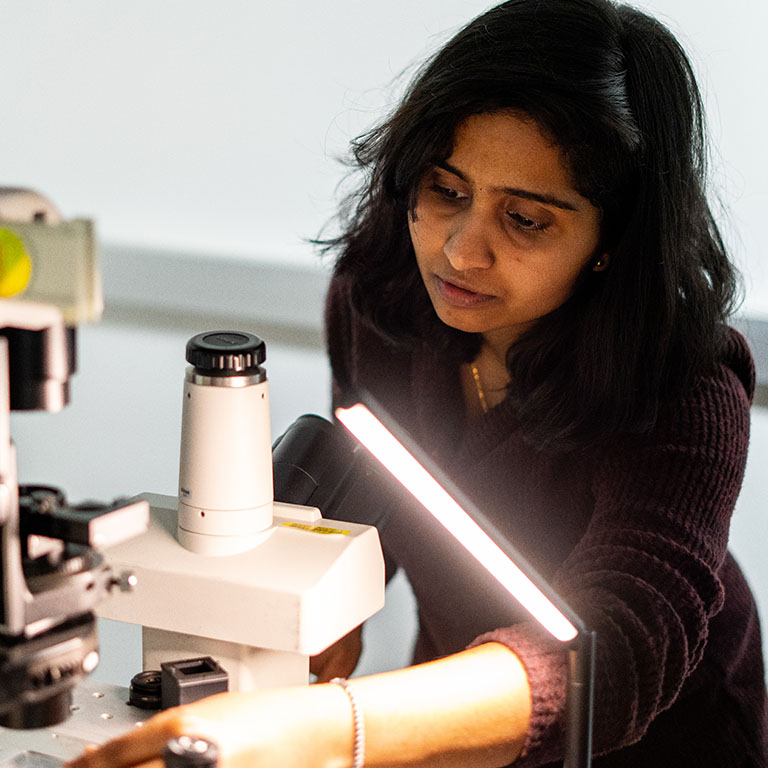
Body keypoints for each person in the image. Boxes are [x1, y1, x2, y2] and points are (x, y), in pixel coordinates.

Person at [67, 0, 767, 766]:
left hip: (665, 743)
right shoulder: (381, 302)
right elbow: (378, 494)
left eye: (526, 220)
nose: (462, 253)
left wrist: (325, 724)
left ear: (614, 239)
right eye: (445, 190)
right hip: (450, 704)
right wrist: (331, 602)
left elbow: (620, 649)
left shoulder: (686, 385)